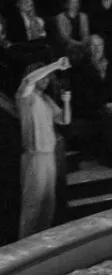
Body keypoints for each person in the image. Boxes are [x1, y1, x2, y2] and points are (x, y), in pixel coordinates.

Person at [16, 56, 71, 237]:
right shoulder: (25, 97)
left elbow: (64, 119)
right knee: (33, 203)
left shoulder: (46, 100)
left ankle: (41, 244)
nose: (46, 80)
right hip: (34, 155)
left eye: (48, 78)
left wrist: (66, 101)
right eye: (44, 77)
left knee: (48, 203)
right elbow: (29, 80)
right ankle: (25, 246)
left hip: (49, 155)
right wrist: (55, 65)